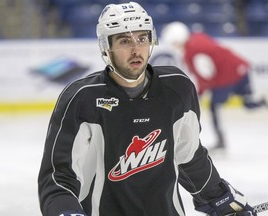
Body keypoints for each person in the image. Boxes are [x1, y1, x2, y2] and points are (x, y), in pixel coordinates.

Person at [38, 2, 257, 216]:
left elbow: (188, 156)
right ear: (106, 47)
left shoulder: (177, 88)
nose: (136, 50)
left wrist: (217, 196)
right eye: (124, 41)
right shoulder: (82, 98)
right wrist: (65, 211)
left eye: (142, 38)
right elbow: (59, 177)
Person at [161, 21, 266, 151]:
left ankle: (220, 141)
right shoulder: (198, 37)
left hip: (227, 78)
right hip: (241, 69)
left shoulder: (192, 52)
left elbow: (206, 75)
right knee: (248, 104)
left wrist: (198, 93)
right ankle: (263, 102)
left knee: (213, 106)